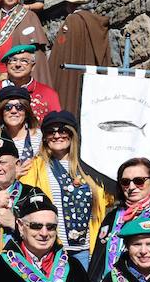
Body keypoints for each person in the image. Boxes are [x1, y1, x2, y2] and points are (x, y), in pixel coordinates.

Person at [19, 111, 108, 267]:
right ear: (44, 137)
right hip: (52, 247)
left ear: (72, 134)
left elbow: (107, 198)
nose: (57, 135)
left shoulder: (89, 167)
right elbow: (22, 199)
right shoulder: (35, 166)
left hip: (84, 249)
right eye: (50, 132)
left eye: (63, 130)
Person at [0, 44, 60, 121]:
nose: (18, 65)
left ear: (33, 66)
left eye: (24, 61)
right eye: (13, 60)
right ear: (6, 65)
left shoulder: (48, 94)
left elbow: (57, 124)